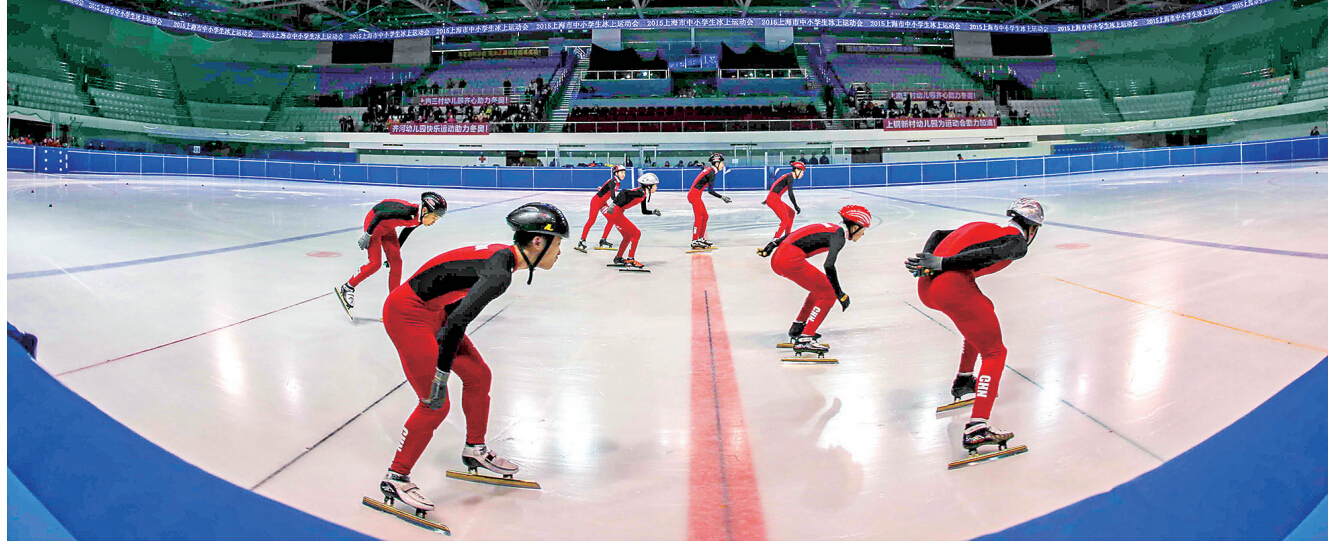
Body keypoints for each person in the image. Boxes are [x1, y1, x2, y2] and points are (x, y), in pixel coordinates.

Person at [377, 202, 569, 514]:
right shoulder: (500, 273)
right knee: (435, 403)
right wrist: (440, 371)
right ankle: (396, 476)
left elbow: (451, 291)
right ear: (538, 242)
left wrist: (443, 340)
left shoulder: (503, 259)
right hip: (406, 314)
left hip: (433, 311)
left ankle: (474, 449)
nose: (559, 251)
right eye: (558, 243)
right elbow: (458, 322)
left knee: (479, 376)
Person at [905, 198, 1043, 456]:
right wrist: (942, 263)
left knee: (983, 311)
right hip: (951, 285)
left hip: (927, 288)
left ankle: (965, 380)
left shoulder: (988, 228)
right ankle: (977, 427)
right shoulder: (1016, 240)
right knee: (995, 352)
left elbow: (938, 234)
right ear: (1032, 229)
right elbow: (992, 253)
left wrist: (928, 261)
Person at [770, 205, 872, 352]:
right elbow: (829, 266)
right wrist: (840, 293)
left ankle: (798, 327)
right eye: (863, 230)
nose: (863, 234)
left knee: (819, 288)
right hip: (790, 260)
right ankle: (805, 338)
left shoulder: (831, 228)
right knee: (829, 292)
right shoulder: (839, 236)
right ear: (855, 227)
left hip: (780, 258)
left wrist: (773, 244)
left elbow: (799, 232)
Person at [335, 192, 447, 311]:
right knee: (375, 263)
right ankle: (348, 287)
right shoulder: (407, 212)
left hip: (388, 228)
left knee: (396, 262)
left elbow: (406, 231)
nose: (434, 221)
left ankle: (393, 302)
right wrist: (368, 234)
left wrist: (394, 253)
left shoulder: (420, 219)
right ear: (424, 210)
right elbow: (379, 215)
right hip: (375, 224)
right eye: (434, 217)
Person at [604, 173, 661, 269]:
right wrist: (613, 205)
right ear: (649, 185)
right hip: (615, 213)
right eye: (655, 185)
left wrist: (653, 212)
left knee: (627, 236)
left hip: (617, 213)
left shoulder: (644, 194)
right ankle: (630, 259)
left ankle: (618, 258)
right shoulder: (640, 192)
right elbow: (623, 192)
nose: (656, 187)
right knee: (636, 233)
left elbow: (644, 211)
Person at [575, 164, 626, 253]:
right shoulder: (613, 182)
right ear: (616, 173)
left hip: (602, 203)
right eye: (622, 172)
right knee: (591, 220)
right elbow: (613, 196)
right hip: (596, 202)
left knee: (612, 219)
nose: (624, 174)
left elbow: (606, 189)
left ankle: (603, 239)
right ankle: (582, 240)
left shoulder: (616, 182)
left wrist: (601, 189)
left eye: (624, 172)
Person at [757, 161, 805, 257]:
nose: (803, 174)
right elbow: (790, 193)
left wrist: (767, 198)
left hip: (774, 198)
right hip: (774, 199)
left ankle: (788, 236)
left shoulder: (787, 176)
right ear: (797, 170)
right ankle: (775, 240)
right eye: (802, 171)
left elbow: (775, 184)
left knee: (791, 213)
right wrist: (796, 205)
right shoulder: (790, 177)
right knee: (785, 219)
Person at [688, 152, 732, 250]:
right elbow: (710, 191)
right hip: (694, 195)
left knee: (705, 216)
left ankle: (701, 238)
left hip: (696, 195)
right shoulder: (711, 172)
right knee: (699, 217)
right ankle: (695, 240)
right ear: (717, 163)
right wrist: (722, 197)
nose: (723, 165)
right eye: (722, 163)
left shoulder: (710, 171)